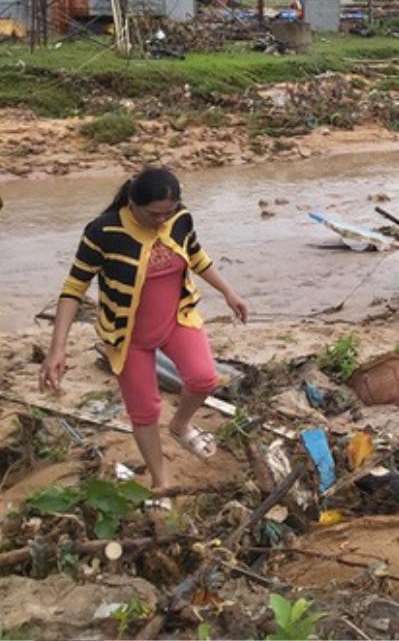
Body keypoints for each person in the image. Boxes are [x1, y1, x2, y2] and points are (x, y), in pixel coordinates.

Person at [39, 166, 248, 493]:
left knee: (205, 377)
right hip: (128, 336)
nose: (162, 220)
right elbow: (74, 288)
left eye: (169, 212)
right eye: (154, 214)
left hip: (175, 320)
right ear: (133, 203)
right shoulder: (103, 231)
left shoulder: (180, 219)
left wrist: (228, 292)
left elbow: (196, 255)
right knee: (145, 410)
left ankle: (180, 425)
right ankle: (160, 479)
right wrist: (57, 348)